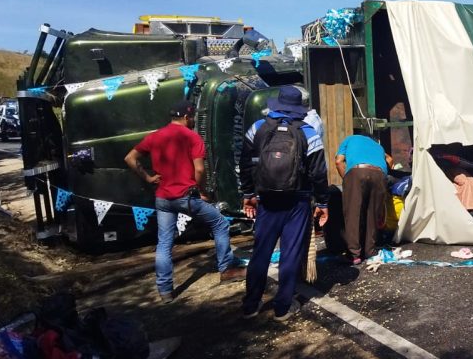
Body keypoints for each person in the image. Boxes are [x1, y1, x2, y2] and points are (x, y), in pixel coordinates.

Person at [125, 99, 244, 304]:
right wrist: (202, 191)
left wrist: (148, 178)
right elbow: (199, 169)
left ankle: (165, 290)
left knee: (164, 242)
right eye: (193, 117)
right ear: (187, 117)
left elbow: (130, 158)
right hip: (186, 196)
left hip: (163, 198)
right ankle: (226, 269)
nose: (194, 120)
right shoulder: (192, 137)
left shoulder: (155, 136)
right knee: (220, 223)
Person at [239, 86, 328, 320]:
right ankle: (282, 308)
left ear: (277, 104)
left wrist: (248, 193)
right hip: (297, 201)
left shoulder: (257, 128)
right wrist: (323, 202)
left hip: (267, 200)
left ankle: (251, 305)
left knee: (261, 251)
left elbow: (245, 164)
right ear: (300, 108)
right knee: (290, 253)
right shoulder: (308, 132)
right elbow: (319, 173)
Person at [335, 134, 390, 264]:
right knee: (373, 214)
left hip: (357, 171)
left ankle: (354, 254)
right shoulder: (378, 146)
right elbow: (390, 160)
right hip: (380, 174)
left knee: (353, 213)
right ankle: (370, 251)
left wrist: (346, 179)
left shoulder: (349, 139)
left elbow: (339, 161)